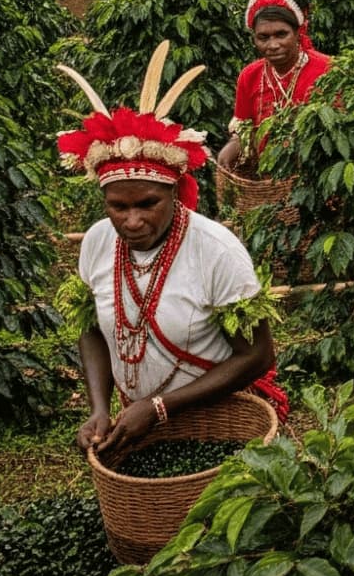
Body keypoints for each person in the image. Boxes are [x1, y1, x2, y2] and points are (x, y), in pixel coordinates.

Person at [56, 43, 285, 458]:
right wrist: (98, 409)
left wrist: (161, 406)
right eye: (117, 207)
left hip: (221, 417)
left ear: (175, 193)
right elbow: (91, 326)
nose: (132, 221)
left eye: (147, 204)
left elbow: (257, 355)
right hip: (140, 423)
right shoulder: (97, 242)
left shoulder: (215, 250)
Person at [220, 0, 333, 175]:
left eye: (281, 34)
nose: (272, 44)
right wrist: (231, 147)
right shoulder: (250, 76)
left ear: (298, 32)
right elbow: (244, 129)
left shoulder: (328, 71)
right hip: (267, 176)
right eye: (263, 37)